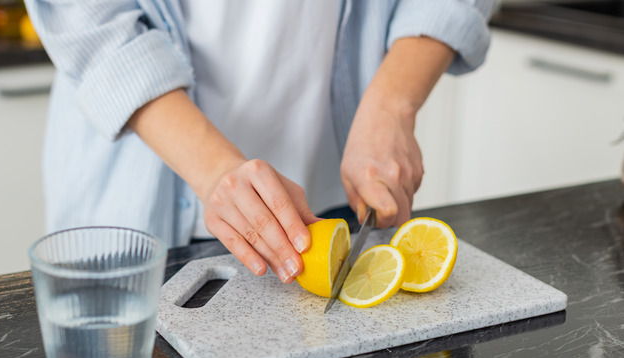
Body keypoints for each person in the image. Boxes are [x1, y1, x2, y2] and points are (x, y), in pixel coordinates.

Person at [24, 0, 495, 284]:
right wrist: (213, 169)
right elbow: (85, 17)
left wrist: (392, 103)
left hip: (335, 207)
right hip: (135, 216)